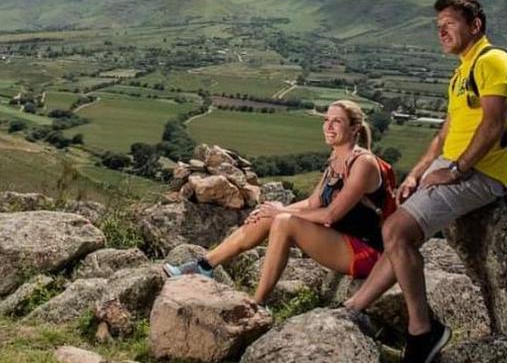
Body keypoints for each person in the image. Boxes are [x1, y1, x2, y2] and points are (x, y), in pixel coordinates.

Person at [343, 0, 507, 363]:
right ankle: (353, 309)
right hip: (452, 166)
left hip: (482, 174)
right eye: (437, 25)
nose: (441, 30)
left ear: (475, 25)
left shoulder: (493, 61)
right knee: (398, 236)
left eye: (450, 23)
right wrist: (417, 172)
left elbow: (493, 124)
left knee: (396, 230)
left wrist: (456, 170)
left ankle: (423, 331)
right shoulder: (463, 70)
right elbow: (446, 132)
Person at [163, 99, 389, 308]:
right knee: (269, 216)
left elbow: (329, 215)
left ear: (354, 128)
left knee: (283, 221)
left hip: (366, 252)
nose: (328, 127)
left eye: (337, 121)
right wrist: (270, 211)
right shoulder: (336, 159)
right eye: (326, 121)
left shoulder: (363, 163)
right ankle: (203, 266)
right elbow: (314, 201)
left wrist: (282, 212)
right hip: (341, 239)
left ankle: (256, 303)